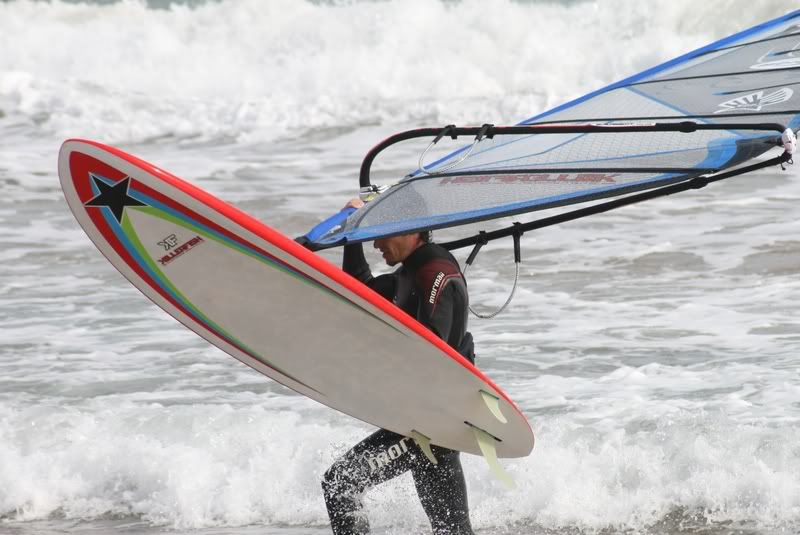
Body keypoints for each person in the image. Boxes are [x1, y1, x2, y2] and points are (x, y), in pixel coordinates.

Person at [322, 198, 476, 535]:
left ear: (408, 229)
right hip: (426, 421)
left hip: (433, 424)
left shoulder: (434, 273)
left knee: (341, 483)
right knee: (452, 531)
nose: (376, 244)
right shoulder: (410, 273)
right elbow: (362, 292)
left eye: (379, 234)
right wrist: (354, 233)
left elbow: (435, 349)